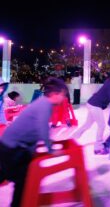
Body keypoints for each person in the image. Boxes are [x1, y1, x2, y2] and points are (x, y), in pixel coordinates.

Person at [0, 78, 67, 207]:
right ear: (55, 94)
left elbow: (39, 129)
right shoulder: (45, 105)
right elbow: (42, 129)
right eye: (63, 94)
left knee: (9, 175)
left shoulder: (43, 102)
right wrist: (51, 149)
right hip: (12, 148)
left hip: (10, 145)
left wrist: (48, 143)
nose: (64, 98)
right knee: (21, 180)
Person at [73, 73, 110, 154]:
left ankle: (73, 138)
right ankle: (98, 147)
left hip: (91, 103)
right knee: (101, 125)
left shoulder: (109, 81)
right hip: (95, 105)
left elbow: (109, 79)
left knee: (87, 124)